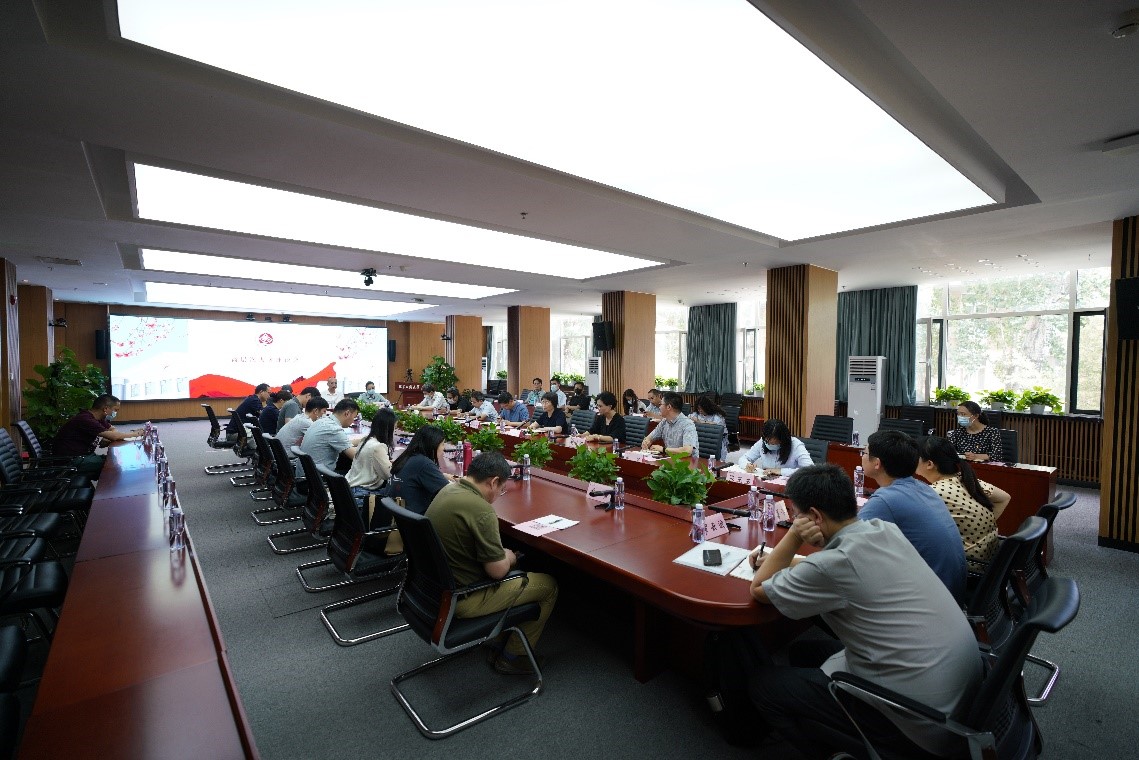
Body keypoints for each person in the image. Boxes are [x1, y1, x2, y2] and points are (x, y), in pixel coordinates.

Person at [746, 464, 981, 759]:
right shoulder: (883, 530)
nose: (795, 520)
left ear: (814, 517)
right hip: (956, 693)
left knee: (763, 686)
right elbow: (842, 565)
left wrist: (794, 535)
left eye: (797, 515)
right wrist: (786, 559)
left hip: (919, 724)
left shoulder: (831, 565)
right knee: (803, 652)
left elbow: (759, 588)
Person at [426, 451, 559, 676]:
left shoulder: (447, 490)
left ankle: (498, 638)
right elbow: (497, 571)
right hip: (463, 598)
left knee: (515, 568)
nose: (499, 495)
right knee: (548, 585)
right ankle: (514, 656)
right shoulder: (481, 510)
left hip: (433, 590)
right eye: (501, 489)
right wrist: (509, 556)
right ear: (493, 481)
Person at [859, 430, 967, 601]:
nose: (862, 457)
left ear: (877, 463)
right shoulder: (923, 488)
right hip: (950, 594)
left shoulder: (886, 499)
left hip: (927, 601)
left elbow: (847, 544)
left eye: (864, 453)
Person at [918, 436, 1011, 574]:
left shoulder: (936, 492)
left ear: (929, 464)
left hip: (969, 567)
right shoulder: (964, 478)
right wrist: (978, 527)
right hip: (990, 560)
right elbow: (1004, 498)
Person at [53, 394, 144, 463]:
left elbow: (113, 430)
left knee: (113, 460)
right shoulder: (85, 419)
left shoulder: (97, 418)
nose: (115, 413)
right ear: (105, 409)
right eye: (115, 410)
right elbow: (114, 436)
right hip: (72, 460)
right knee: (114, 464)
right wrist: (135, 434)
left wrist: (110, 436)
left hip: (85, 455)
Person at [387, 424, 454, 517]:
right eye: (442, 444)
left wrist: (442, 475)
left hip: (398, 516)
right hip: (414, 520)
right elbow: (449, 492)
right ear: (433, 445)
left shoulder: (408, 456)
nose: (444, 449)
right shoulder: (425, 464)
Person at [347, 407, 396, 507]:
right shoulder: (378, 447)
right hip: (361, 495)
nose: (394, 432)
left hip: (350, 490)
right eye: (394, 428)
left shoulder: (365, 440)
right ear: (387, 429)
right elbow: (388, 475)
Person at [300, 397, 360, 474]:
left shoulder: (322, 421)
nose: (353, 421)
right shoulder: (334, 429)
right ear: (347, 413)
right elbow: (357, 457)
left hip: (308, 473)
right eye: (354, 417)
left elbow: (342, 442)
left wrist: (362, 440)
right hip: (319, 477)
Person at [741, 418, 813, 476]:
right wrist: (747, 465)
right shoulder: (762, 441)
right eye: (767, 442)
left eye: (774, 444)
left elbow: (810, 470)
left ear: (783, 440)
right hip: (767, 481)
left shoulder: (796, 445)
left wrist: (781, 471)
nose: (769, 445)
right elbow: (744, 458)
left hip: (789, 483)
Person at [641, 392, 698, 456]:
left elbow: (687, 451)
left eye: (661, 404)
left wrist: (663, 449)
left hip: (686, 461)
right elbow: (650, 437)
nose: (659, 407)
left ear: (668, 407)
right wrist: (647, 441)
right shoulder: (664, 422)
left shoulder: (688, 424)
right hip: (671, 459)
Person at [688, 395, 728, 459]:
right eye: (698, 408)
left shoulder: (717, 416)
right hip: (700, 441)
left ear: (707, 407)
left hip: (715, 443)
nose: (700, 410)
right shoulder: (696, 414)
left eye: (701, 408)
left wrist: (700, 422)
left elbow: (717, 426)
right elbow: (688, 418)